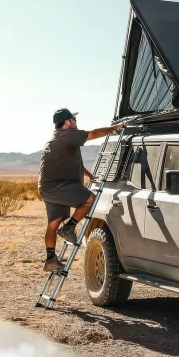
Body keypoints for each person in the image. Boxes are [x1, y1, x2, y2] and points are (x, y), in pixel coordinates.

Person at [38, 108, 121, 271]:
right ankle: (70, 227)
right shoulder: (68, 135)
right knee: (91, 199)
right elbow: (94, 133)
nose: (76, 122)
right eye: (73, 120)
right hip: (60, 186)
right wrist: (114, 129)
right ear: (67, 122)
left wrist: (89, 174)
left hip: (47, 188)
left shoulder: (54, 139)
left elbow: (70, 162)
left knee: (53, 223)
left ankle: (50, 259)